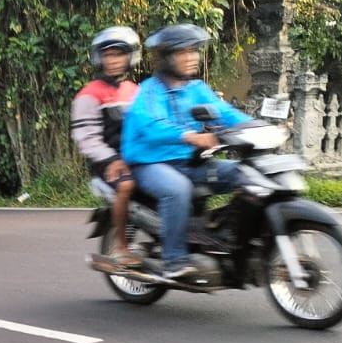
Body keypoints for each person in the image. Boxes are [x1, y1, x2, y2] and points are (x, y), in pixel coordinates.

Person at [120, 24, 250, 282]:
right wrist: (190, 136)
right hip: (151, 162)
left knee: (246, 174)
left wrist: (256, 126)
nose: (192, 57)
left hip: (190, 161)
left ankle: (222, 234)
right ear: (168, 57)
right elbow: (151, 124)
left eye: (194, 51)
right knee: (177, 189)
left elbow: (225, 113)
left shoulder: (197, 89)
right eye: (184, 52)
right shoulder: (149, 90)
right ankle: (173, 260)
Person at [72, 27, 142, 269]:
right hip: (107, 163)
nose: (112, 61)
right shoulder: (89, 94)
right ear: (99, 58)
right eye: (108, 55)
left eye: (119, 54)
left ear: (130, 57)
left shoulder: (135, 91)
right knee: (126, 185)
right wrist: (111, 159)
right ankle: (121, 248)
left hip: (136, 158)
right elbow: (86, 138)